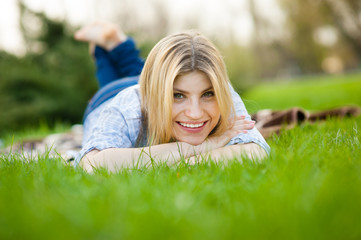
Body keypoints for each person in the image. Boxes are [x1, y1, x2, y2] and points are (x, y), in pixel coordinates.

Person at [74, 21, 270, 173]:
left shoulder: (220, 90)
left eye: (207, 94)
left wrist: (182, 163)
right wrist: (206, 147)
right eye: (178, 96)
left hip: (156, 82)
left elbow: (256, 151)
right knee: (112, 81)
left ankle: (116, 43)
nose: (195, 113)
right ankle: (102, 49)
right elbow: (92, 165)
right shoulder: (124, 108)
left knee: (153, 73)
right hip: (108, 97)